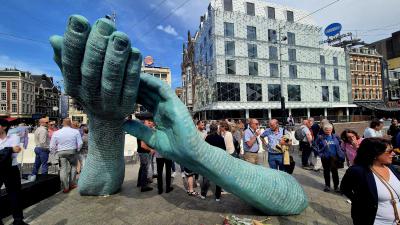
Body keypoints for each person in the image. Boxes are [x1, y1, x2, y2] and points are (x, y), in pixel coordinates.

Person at [340, 138, 400, 225]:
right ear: (375, 154)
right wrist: (361, 203)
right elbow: (345, 189)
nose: (393, 154)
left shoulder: (391, 168)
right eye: (389, 151)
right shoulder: (358, 171)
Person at [0, 119, 28, 225]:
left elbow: (13, 156)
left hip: (11, 169)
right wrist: (9, 149)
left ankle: (18, 220)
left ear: (4, 127)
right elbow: (10, 153)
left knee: (15, 195)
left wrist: (6, 152)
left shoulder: (14, 137)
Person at [50, 118, 83, 193]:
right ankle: (72, 184)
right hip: (72, 151)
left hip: (61, 152)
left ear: (62, 123)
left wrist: (54, 153)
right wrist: (77, 150)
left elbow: (52, 146)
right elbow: (80, 143)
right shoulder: (75, 131)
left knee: (63, 169)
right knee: (73, 167)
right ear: (70, 123)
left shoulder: (56, 132)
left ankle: (65, 187)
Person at [315, 123, 345, 192]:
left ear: (332, 129)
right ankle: (327, 186)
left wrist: (341, 153)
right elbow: (315, 146)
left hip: (334, 158)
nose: (328, 131)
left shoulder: (336, 136)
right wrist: (320, 154)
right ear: (323, 130)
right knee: (326, 171)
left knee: (335, 172)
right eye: (326, 130)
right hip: (325, 157)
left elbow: (342, 145)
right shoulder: (320, 137)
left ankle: (336, 186)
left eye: (329, 129)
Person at [200, 124, 225, 201]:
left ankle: (203, 194)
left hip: (209, 160)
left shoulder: (208, 138)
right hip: (218, 160)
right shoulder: (221, 138)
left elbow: (204, 149)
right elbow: (224, 150)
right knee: (218, 178)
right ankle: (217, 196)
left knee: (206, 178)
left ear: (210, 129)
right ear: (217, 129)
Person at [135, 112, 155, 192]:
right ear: (148, 122)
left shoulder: (141, 129)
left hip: (141, 152)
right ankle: (144, 186)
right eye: (152, 124)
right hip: (144, 152)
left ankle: (140, 182)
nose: (152, 125)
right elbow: (143, 145)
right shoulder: (144, 131)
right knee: (145, 169)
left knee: (142, 168)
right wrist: (151, 150)